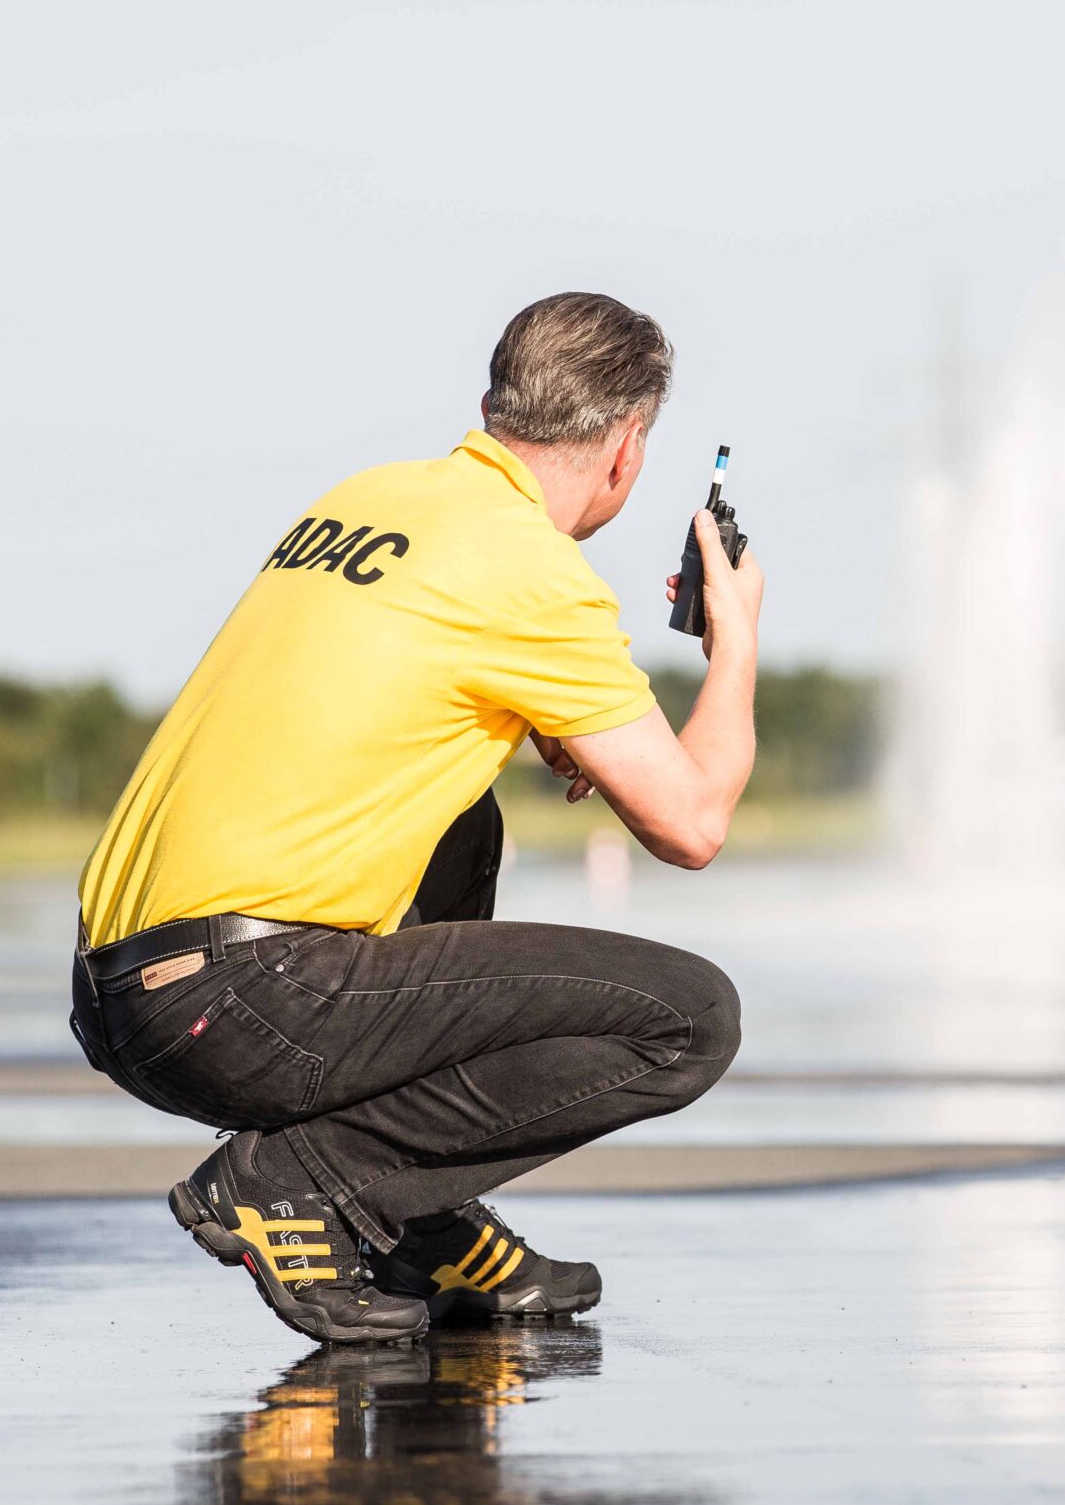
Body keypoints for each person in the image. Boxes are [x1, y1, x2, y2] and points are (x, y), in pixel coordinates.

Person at [68, 292, 759, 1345]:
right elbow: (692, 823)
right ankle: (302, 1182)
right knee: (687, 1018)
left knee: (462, 821)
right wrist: (738, 637)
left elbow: (371, 689)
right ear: (625, 447)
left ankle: (421, 1220)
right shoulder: (533, 572)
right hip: (243, 1002)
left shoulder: (371, 498)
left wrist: (544, 723)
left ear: (498, 402)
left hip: (122, 988)